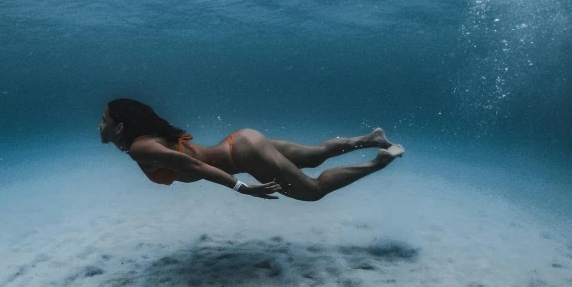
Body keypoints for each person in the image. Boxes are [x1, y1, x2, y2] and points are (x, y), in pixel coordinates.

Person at [98, 98, 404, 201]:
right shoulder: (144, 140)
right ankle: (373, 137)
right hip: (240, 141)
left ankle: (378, 160)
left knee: (312, 191)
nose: (99, 126)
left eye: (104, 121)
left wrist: (242, 188)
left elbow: (194, 166)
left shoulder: (140, 148)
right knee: (313, 155)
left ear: (121, 127)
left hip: (243, 154)